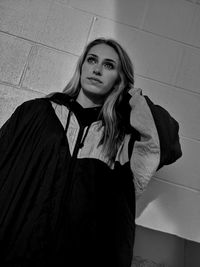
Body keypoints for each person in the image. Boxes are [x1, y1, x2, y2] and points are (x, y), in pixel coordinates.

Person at [0, 38, 182, 267]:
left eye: (109, 66)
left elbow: (165, 142)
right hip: (18, 250)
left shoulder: (121, 140)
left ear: (119, 79)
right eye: (92, 60)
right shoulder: (36, 112)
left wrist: (130, 96)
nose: (97, 69)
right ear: (82, 67)